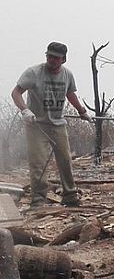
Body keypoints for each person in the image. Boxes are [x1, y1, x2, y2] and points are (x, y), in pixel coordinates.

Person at [11, 42, 93, 208]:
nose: (51, 60)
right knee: (38, 162)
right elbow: (16, 92)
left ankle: (70, 196)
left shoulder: (67, 75)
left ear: (63, 59)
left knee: (65, 160)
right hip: (37, 125)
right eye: (49, 56)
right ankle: (38, 200)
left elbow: (70, 94)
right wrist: (25, 110)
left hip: (58, 125)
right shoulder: (34, 72)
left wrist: (82, 111)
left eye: (56, 57)